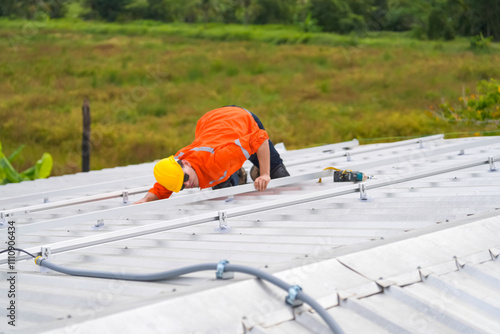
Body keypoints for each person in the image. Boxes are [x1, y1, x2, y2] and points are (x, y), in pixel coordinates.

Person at [134, 105, 289, 203]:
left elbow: (260, 138)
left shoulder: (219, 159)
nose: (187, 184)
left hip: (241, 119)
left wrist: (265, 174)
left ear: (186, 163)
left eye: (185, 178)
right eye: (181, 186)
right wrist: (144, 200)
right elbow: (164, 185)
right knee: (222, 188)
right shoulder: (179, 167)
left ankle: (256, 170)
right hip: (211, 124)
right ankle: (238, 172)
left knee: (280, 177)